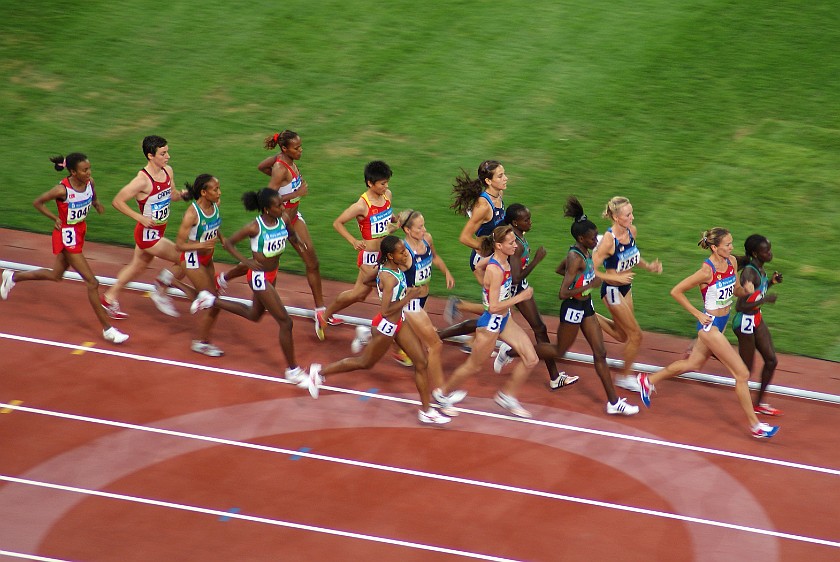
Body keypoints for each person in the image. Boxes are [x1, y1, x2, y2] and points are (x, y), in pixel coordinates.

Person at [495, 197, 640, 415]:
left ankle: (614, 402)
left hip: (587, 306)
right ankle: (512, 351)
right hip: (572, 308)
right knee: (559, 350)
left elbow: (559, 269)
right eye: (592, 239)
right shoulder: (575, 257)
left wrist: (582, 282)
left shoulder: (583, 250)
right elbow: (562, 293)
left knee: (600, 353)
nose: (596, 241)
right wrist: (588, 283)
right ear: (582, 238)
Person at [636, 228, 780, 439]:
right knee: (742, 374)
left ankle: (647, 381)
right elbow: (676, 291)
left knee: (692, 364)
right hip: (709, 326)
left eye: (732, 243)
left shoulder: (731, 262)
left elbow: (735, 290)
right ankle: (755, 425)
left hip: (720, 323)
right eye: (728, 244)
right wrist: (697, 314)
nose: (732, 248)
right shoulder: (706, 270)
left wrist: (747, 291)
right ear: (714, 247)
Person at [304, 236, 450, 425]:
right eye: (401, 252)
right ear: (390, 255)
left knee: (421, 362)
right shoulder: (389, 278)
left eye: (404, 250)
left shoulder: (389, 270)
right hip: (387, 326)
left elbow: (366, 279)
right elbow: (386, 310)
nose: (405, 254)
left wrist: (379, 284)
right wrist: (408, 296)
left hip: (400, 323)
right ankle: (320, 372)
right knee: (364, 363)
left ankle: (427, 411)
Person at [0, 153, 128, 344]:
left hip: (80, 231)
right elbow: (38, 202)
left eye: (89, 168)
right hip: (67, 236)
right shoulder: (62, 190)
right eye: (84, 170)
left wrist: (96, 204)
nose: (88, 172)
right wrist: (55, 219)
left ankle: (12, 277)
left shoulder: (89, 182)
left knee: (56, 275)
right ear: (73, 172)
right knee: (92, 282)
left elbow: (92, 196)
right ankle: (108, 329)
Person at [191, 188, 306, 382]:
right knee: (286, 322)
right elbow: (228, 244)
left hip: (272, 274)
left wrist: (302, 245)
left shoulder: (284, 219)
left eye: (281, 203)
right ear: (267, 209)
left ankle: (210, 300)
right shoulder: (255, 227)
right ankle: (292, 371)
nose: (282, 207)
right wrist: (247, 261)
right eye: (278, 205)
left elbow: (292, 236)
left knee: (254, 314)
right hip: (258, 278)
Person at [217, 131, 325, 328]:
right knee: (263, 262)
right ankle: (224, 278)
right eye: (296, 148)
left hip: (293, 218)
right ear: (285, 148)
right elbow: (266, 199)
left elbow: (261, 166)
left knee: (313, 262)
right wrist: (296, 192)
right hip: (279, 222)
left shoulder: (284, 159)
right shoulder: (280, 169)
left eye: (300, 146)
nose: (301, 150)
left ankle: (321, 312)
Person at [432, 225, 540, 419]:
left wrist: (485, 285)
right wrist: (520, 297)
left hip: (504, 320)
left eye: (514, 241)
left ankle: (507, 396)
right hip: (491, 323)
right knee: (474, 366)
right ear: (499, 245)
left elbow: (478, 265)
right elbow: (493, 307)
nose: (516, 245)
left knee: (531, 359)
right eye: (511, 243)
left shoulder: (496, 260)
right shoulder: (496, 269)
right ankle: (441, 394)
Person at [353, 210, 458, 383]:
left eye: (424, 225)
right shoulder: (402, 252)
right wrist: (381, 284)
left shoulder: (427, 239)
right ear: (408, 230)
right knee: (432, 343)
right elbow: (379, 272)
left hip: (422, 297)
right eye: (420, 227)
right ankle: (439, 390)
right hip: (409, 303)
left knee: (402, 332)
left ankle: (367, 333)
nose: (424, 230)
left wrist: (446, 272)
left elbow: (435, 257)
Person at [102, 135, 194, 319]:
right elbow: (117, 201)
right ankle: (161, 288)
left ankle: (108, 298)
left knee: (137, 267)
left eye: (167, 152)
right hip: (147, 235)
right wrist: (140, 218)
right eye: (163, 153)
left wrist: (184, 195)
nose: (168, 156)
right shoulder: (142, 181)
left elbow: (172, 195)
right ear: (150, 156)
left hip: (157, 230)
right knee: (187, 258)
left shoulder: (168, 171)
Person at [493, 204, 575, 387]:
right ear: (515, 222)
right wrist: (537, 260)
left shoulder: (517, 236)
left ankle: (554, 378)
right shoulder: (516, 245)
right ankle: (508, 352)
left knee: (539, 328)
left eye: (529, 218)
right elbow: (515, 278)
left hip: (518, 289)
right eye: (526, 220)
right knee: (485, 325)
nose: (530, 222)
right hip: (514, 291)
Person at [315, 160, 395, 340]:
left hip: (386, 254)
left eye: (387, 182)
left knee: (363, 294)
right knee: (380, 293)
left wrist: (395, 222)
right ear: (370, 183)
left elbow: (387, 216)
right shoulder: (361, 205)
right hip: (370, 257)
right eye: (382, 183)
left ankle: (325, 316)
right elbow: (338, 223)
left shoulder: (387, 195)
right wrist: (353, 240)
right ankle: (394, 343)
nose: (386, 186)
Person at [591, 196, 662, 392]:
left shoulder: (632, 231)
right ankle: (624, 377)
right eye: (627, 215)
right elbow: (590, 269)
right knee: (636, 336)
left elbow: (632, 255)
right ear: (615, 217)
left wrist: (648, 266)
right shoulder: (608, 241)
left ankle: (588, 316)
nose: (632, 217)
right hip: (612, 291)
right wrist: (614, 279)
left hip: (626, 288)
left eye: (632, 213)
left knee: (623, 335)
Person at [441, 160, 511, 349]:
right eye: (500, 176)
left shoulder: (499, 195)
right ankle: (471, 339)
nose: (506, 178)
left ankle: (462, 312)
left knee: (498, 303)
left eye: (504, 174)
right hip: (483, 261)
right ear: (488, 181)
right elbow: (464, 237)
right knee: (497, 305)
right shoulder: (483, 206)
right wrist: (482, 247)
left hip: (496, 257)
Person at [733, 234, 783, 416]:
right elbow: (741, 305)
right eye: (766, 251)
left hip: (756, 319)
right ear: (755, 253)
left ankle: (759, 403)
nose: (770, 254)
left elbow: (756, 293)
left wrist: (771, 283)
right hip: (745, 322)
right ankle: (717, 352)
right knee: (746, 370)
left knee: (771, 360)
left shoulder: (760, 270)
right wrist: (766, 299)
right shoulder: (749, 272)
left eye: (769, 249)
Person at [175, 174, 223, 356]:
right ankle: (201, 343)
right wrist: (201, 245)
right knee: (214, 303)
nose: (219, 193)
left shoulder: (215, 205)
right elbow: (179, 245)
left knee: (212, 298)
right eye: (215, 189)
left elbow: (214, 226)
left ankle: (172, 281)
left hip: (207, 258)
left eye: (218, 188)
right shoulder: (192, 214)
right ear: (204, 192)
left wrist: (222, 239)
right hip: (192, 259)